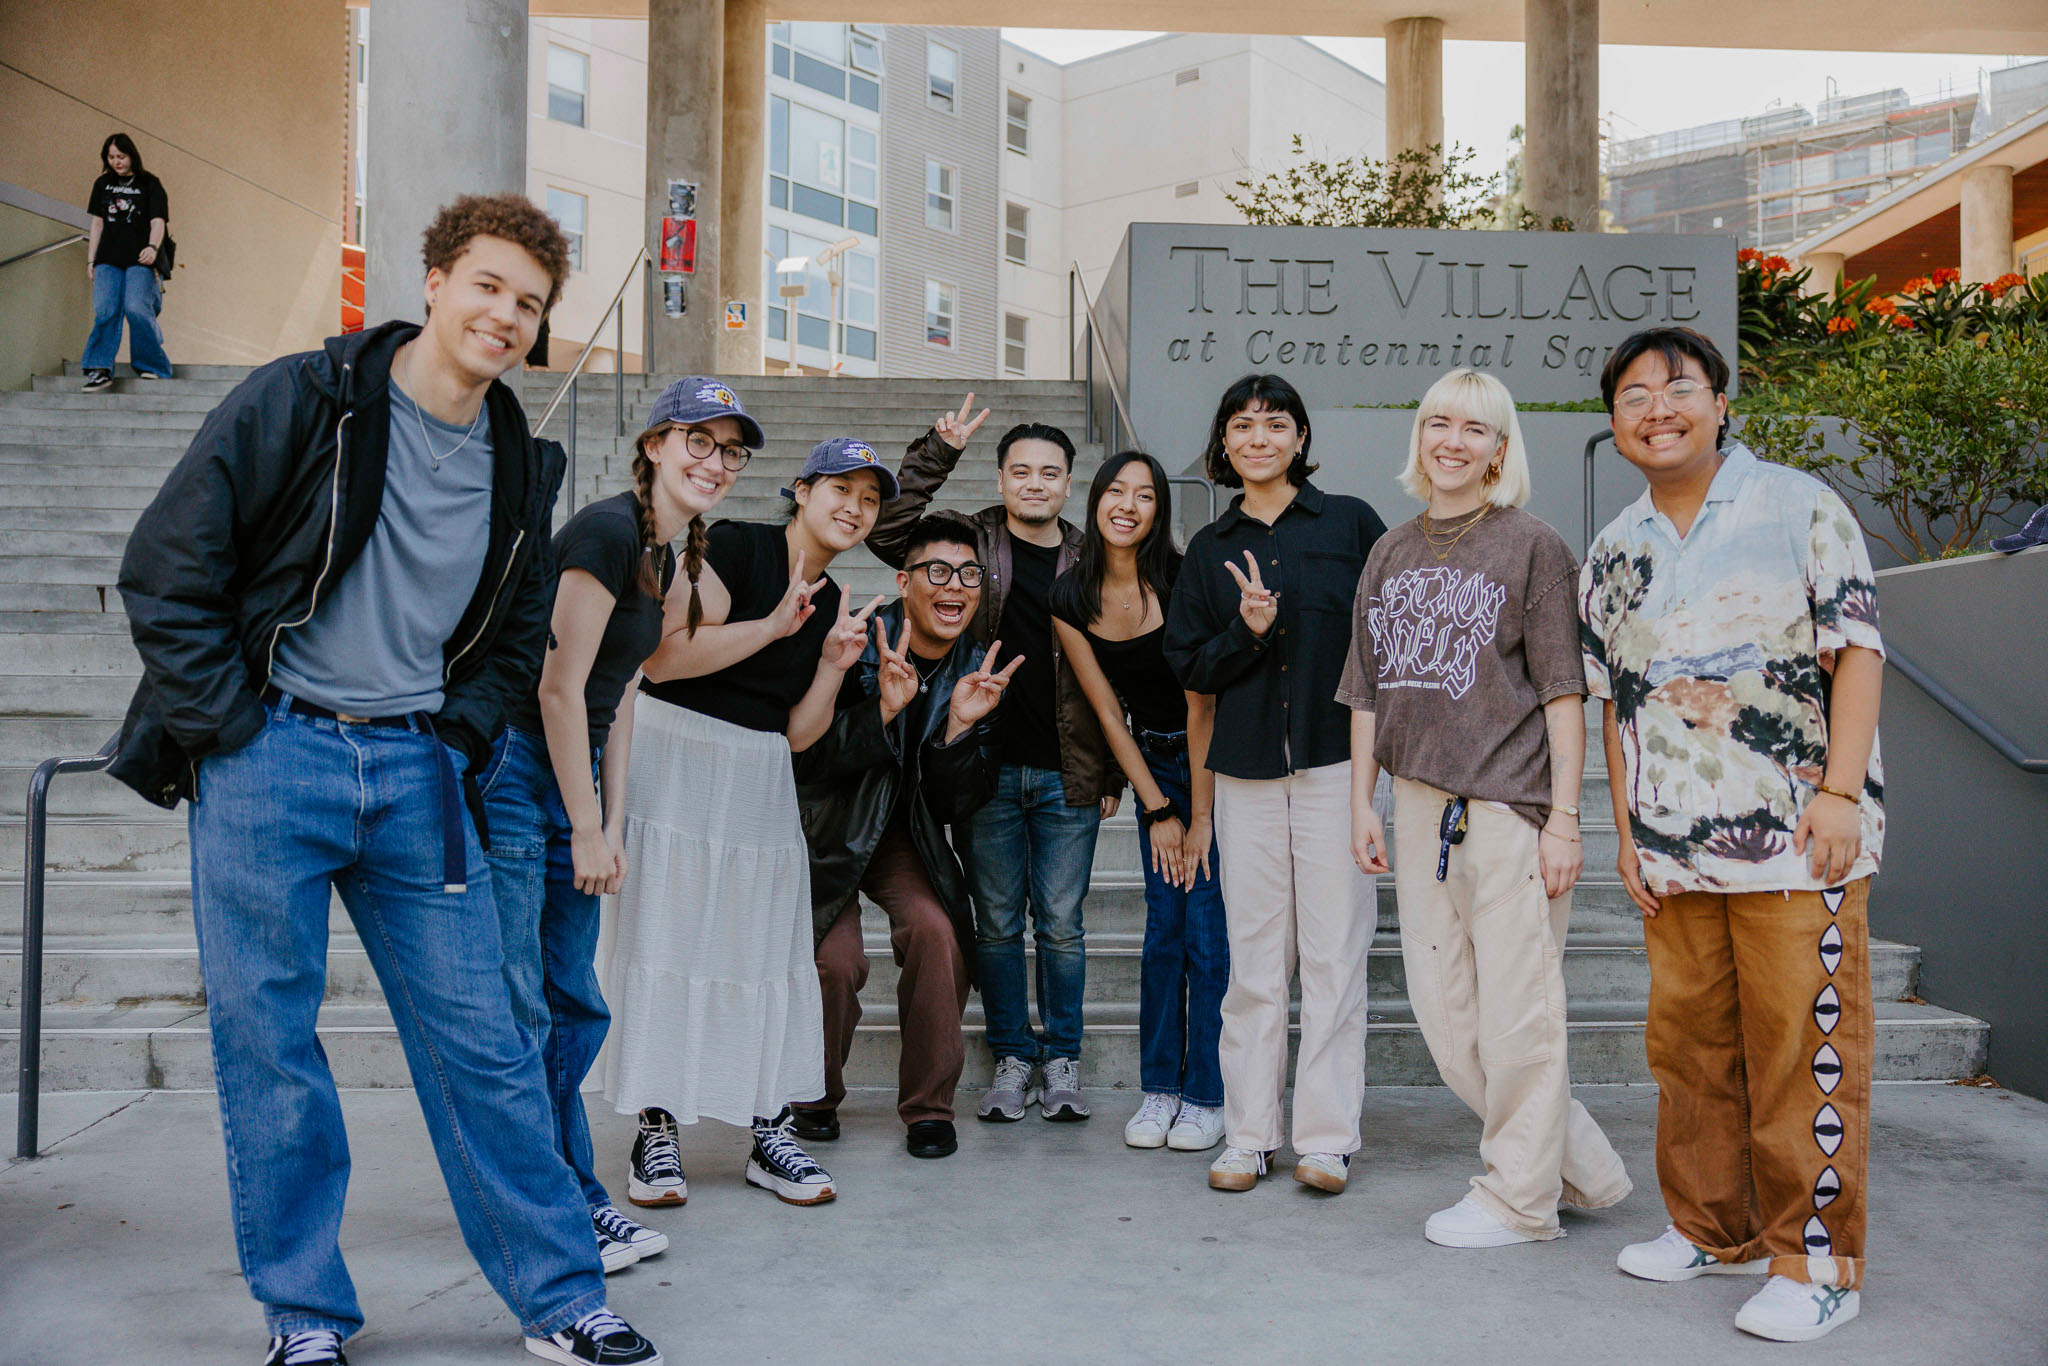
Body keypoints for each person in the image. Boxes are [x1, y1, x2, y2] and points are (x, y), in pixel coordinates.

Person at [111, 194, 660, 1366]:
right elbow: (167, 565)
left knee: (488, 1044)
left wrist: (455, 739)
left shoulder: (522, 457)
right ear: (434, 280)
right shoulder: (305, 399)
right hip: (274, 758)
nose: (504, 316)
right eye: (489, 286)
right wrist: (234, 730)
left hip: (418, 771)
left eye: (529, 304)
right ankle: (305, 1314)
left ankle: (563, 1297)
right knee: (271, 1047)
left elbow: (519, 636)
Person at [1582, 327, 1884, 1343]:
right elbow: (1614, 704)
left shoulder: (1798, 504)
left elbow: (1856, 653)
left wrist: (1839, 793)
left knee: (1805, 1049)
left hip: (1796, 839)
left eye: (1676, 387)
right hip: (1670, 851)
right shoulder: (1613, 546)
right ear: (1613, 422)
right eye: (1631, 394)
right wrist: (1624, 834)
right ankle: (1714, 1228)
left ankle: (1816, 1263)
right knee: (1690, 1051)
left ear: (1718, 403)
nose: (1654, 407)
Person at [1339, 368, 1631, 1248]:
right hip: (1420, 806)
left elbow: (1562, 691)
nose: (1452, 441)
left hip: (1509, 810)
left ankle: (1520, 1200)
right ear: (1419, 439)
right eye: (1437, 423)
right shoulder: (1389, 550)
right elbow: (1365, 692)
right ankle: (1583, 1169)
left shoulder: (1533, 545)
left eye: (1474, 429)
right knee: (1445, 1014)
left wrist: (1568, 821)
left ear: (1500, 450)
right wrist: (1365, 800)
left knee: (1519, 1015)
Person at [482, 377, 756, 1275]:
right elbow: (556, 689)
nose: (714, 461)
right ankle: (555, 1204)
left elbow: (626, 692)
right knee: (536, 1003)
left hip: (569, 780)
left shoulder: (662, 554)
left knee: (569, 1000)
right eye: (697, 441)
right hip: (521, 773)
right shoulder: (603, 531)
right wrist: (586, 824)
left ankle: (571, 1199)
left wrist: (614, 815)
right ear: (651, 444)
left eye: (730, 450)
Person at [602, 433, 892, 1209]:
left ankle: (770, 1130)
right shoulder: (735, 545)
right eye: (841, 490)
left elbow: (797, 734)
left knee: (765, 950)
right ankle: (657, 1133)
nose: (854, 509)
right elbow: (662, 659)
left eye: (869, 500)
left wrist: (832, 662)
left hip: (759, 774)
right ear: (801, 490)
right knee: (669, 937)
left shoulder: (831, 599)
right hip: (678, 758)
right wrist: (772, 627)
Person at [1163, 373, 1387, 1195]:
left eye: (1276, 424)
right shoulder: (1208, 550)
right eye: (1242, 425)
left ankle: (1326, 1140)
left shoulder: (1353, 525)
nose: (1259, 438)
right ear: (1224, 443)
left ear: (1300, 438)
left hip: (1337, 768)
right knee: (1256, 964)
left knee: (1335, 957)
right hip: (1248, 774)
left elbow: (1388, 646)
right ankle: (1250, 1133)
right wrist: (1245, 633)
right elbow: (1187, 665)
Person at [869, 397, 1118, 1123]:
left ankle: (1062, 1054)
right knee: (999, 924)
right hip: (983, 768)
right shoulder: (968, 542)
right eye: (1020, 471)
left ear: (1069, 482)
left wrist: (1109, 767)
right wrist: (935, 453)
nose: (1034, 483)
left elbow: (1114, 670)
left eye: (1049, 473)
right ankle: (1013, 1054)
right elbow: (889, 535)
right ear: (1001, 479)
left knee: (1063, 925)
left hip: (1070, 769)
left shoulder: (1091, 553)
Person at [788, 512, 1017, 1159]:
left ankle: (928, 1108)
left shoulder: (981, 668)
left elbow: (957, 801)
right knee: (835, 961)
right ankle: (812, 1094)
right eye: (938, 571)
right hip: (825, 828)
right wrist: (883, 710)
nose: (955, 586)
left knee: (938, 934)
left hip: (902, 836)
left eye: (969, 574)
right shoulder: (859, 640)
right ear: (904, 579)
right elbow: (808, 755)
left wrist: (956, 732)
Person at [1050, 452, 1229, 1153]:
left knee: (1206, 937)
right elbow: (1105, 712)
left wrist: (1199, 820)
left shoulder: (1184, 581)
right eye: (1115, 491)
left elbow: (1203, 707)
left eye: (1145, 495)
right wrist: (1158, 811)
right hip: (1154, 763)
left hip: (1212, 763)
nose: (1127, 504)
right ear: (1095, 501)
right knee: (1164, 933)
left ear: (1160, 511)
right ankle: (1160, 1089)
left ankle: (1208, 1094)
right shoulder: (1070, 597)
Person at [80, 132, 173, 391]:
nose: (116, 162)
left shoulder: (149, 183)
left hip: (140, 258)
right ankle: (99, 369)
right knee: (106, 310)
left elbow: (158, 221)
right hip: (108, 258)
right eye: (111, 157)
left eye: (121, 156)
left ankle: (152, 365)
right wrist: (91, 261)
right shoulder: (102, 184)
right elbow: (97, 223)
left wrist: (152, 247)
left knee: (136, 308)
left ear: (131, 155)